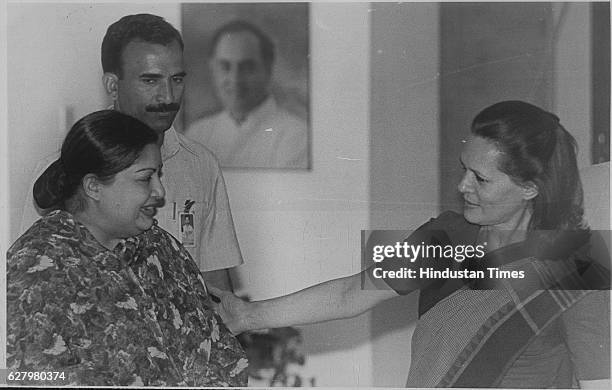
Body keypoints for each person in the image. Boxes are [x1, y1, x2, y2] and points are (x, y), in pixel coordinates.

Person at [212, 101, 610, 388]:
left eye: (481, 179)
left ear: (530, 188)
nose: (461, 186)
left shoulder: (581, 266)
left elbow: (599, 381)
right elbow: (353, 292)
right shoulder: (448, 236)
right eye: (463, 170)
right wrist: (248, 315)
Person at [7, 110, 247, 386]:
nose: (160, 191)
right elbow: (21, 377)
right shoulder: (36, 271)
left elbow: (218, 354)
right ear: (94, 187)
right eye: (146, 178)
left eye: (159, 175)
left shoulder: (161, 247)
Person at [19, 14, 242, 291]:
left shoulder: (201, 164)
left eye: (177, 79)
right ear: (113, 85)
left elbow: (216, 286)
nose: (168, 97)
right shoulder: (62, 168)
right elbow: (30, 282)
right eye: (150, 81)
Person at [185, 20, 308, 169]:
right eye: (225, 66)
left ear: (268, 69)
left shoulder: (297, 136)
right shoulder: (197, 134)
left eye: (247, 67)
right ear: (212, 68)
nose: (235, 79)